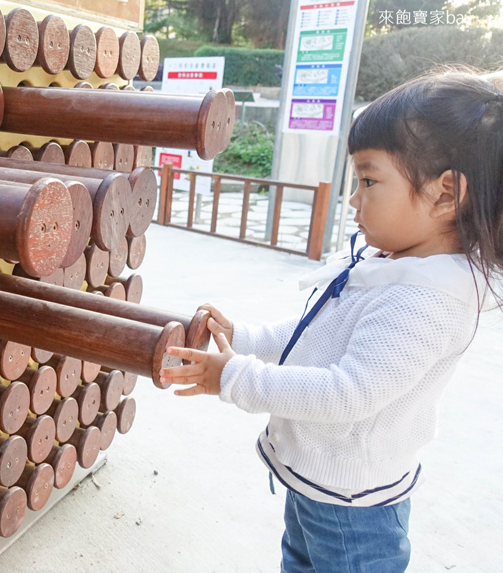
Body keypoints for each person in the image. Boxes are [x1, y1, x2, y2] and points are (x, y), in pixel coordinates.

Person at [159, 68, 503, 572]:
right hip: (318, 483)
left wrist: (231, 377)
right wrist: (243, 338)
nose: (353, 198)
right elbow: (314, 338)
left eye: (368, 180)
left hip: (354, 509)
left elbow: (347, 393)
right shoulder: (390, 262)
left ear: (446, 194)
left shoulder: (428, 300)